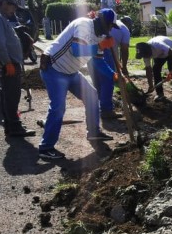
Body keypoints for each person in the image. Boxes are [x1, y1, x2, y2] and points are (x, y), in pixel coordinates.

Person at [37, 8, 117, 160]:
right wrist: (100, 46)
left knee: (92, 96)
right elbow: (76, 50)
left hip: (72, 72)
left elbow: (99, 62)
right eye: (111, 26)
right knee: (58, 107)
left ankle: (93, 133)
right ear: (103, 22)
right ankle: (46, 147)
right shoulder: (83, 25)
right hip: (54, 68)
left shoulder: (100, 36)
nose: (111, 30)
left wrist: (113, 75)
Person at [0, 0, 35, 138]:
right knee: (11, 97)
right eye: (13, 6)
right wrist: (7, 62)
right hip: (8, 63)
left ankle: (11, 125)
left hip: (9, 62)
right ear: (5, 3)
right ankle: (14, 127)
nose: (14, 10)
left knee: (8, 96)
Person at [88, 16, 131, 120]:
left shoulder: (100, 23)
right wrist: (124, 67)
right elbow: (124, 50)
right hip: (105, 51)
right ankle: (106, 110)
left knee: (97, 81)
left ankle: (98, 106)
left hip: (91, 52)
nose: (111, 30)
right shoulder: (125, 30)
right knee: (108, 81)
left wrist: (119, 64)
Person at [135, 34, 172, 102]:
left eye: (145, 55)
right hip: (160, 55)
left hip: (171, 49)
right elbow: (148, 70)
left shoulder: (159, 46)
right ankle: (160, 94)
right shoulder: (145, 55)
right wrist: (150, 85)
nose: (145, 57)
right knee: (156, 69)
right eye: (143, 55)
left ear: (148, 51)